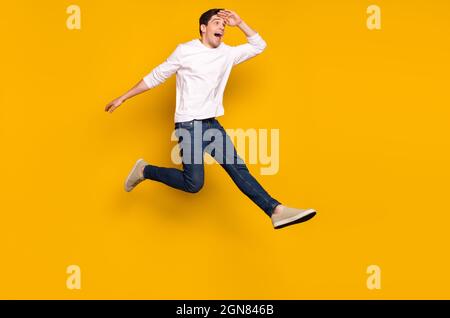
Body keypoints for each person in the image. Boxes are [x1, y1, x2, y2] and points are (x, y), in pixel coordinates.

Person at [104, 8, 316, 229]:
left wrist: (240, 22)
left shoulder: (227, 53)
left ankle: (276, 210)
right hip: (189, 125)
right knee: (194, 184)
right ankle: (144, 170)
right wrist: (123, 97)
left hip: (211, 124)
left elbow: (259, 46)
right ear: (203, 28)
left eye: (223, 25)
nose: (222, 27)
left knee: (239, 171)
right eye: (216, 23)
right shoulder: (185, 51)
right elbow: (156, 76)